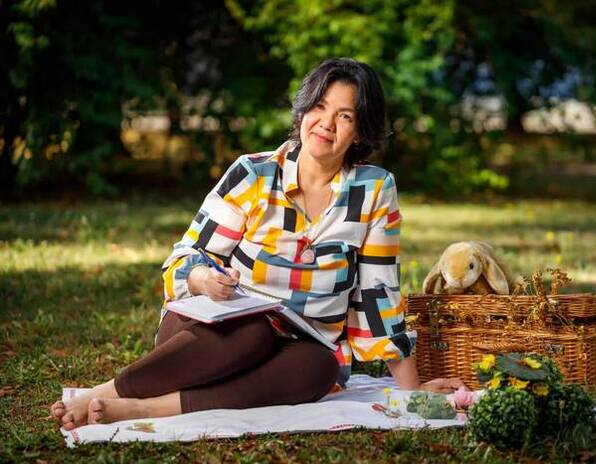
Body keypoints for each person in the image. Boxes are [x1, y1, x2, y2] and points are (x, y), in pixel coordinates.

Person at [50, 58, 463, 430]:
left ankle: (145, 409)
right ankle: (107, 393)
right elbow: (187, 256)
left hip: (300, 345)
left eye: (344, 116)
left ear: (359, 132)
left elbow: (376, 292)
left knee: (321, 369)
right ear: (302, 111)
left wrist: (412, 390)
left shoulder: (374, 190)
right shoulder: (254, 173)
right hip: (210, 331)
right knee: (253, 333)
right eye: (319, 107)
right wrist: (203, 279)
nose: (326, 123)